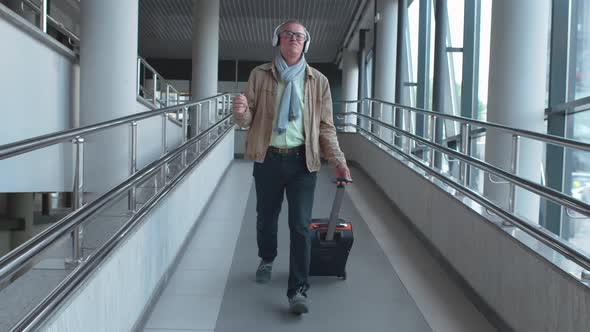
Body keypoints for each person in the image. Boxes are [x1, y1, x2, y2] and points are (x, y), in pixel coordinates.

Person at [232, 20, 352, 315]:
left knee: (300, 225)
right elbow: (248, 121)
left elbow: (326, 127)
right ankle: (267, 257)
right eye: (288, 34)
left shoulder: (318, 81)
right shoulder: (259, 75)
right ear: (278, 39)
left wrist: (338, 160)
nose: (293, 39)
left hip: (303, 162)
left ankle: (298, 289)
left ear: (305, 43)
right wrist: (241, 113)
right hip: (268, 158)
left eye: (299, 36)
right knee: (266, 217)